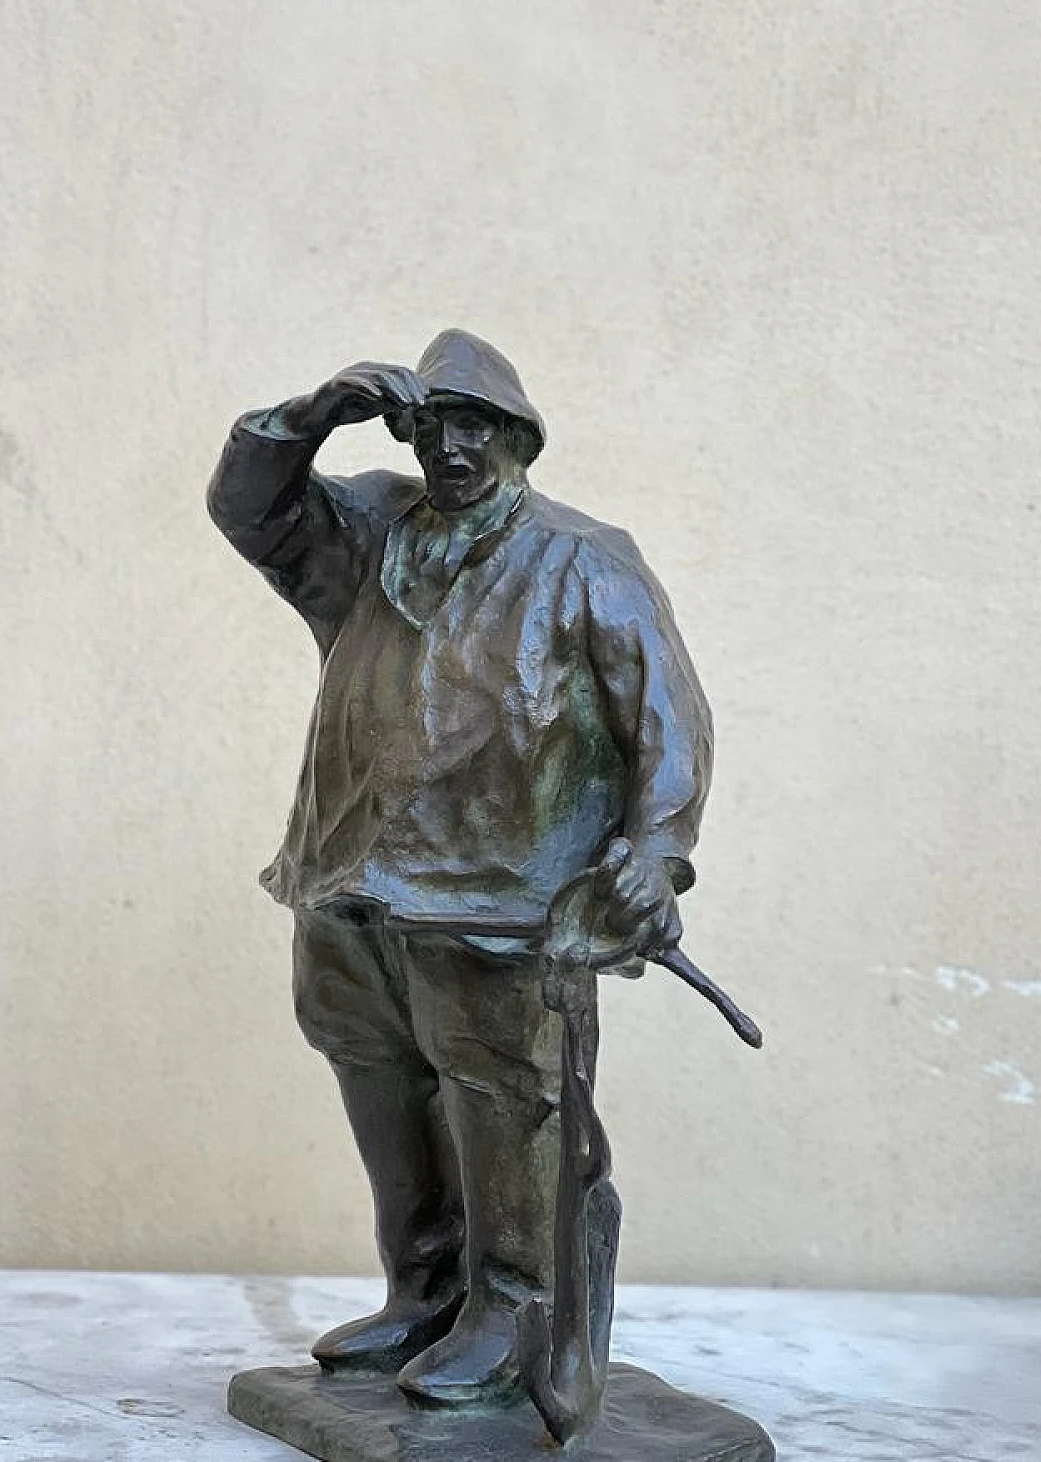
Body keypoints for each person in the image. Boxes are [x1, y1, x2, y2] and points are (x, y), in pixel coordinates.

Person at [207, 330, 712, 1406]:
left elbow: (663, 714)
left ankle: (513, 1310)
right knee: (377, 1078)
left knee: (503, 1100)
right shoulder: (365, 533)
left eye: (474, 425)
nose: (449, 448)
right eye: (429, 426)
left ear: (519, 437)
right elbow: (248, 508)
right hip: (348, 875)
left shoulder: (582, 558)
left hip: (498, 897)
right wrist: (312, 414)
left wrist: (655, 849)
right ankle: (423, 1291)